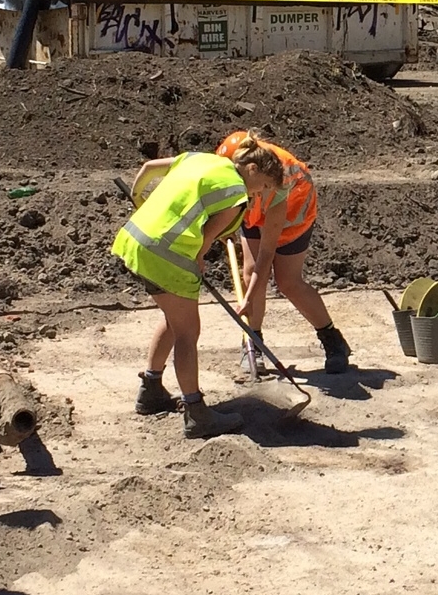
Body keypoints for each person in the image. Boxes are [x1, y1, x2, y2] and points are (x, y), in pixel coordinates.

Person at [113, 141, 287, 437]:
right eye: (264, 185)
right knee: (187, 330)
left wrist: (141, 201)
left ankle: (151, 390)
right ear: (253, 169)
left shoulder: (202, 160)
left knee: (174, 319)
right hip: (166, 254)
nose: (261, 194)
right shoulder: (236, 193)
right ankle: (196, 413)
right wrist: (197, 257)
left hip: (135, 239)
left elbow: (146, 170)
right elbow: (207, 237)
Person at [215, 129, 352, 375]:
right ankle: (253, 343)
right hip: (254, 208)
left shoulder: (279, 182)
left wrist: (246, 302)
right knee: (248, 273)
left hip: (292, 216)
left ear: (253, 169)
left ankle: (333, 341)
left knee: (288, 282)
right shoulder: (231, 158)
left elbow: (267, 254)